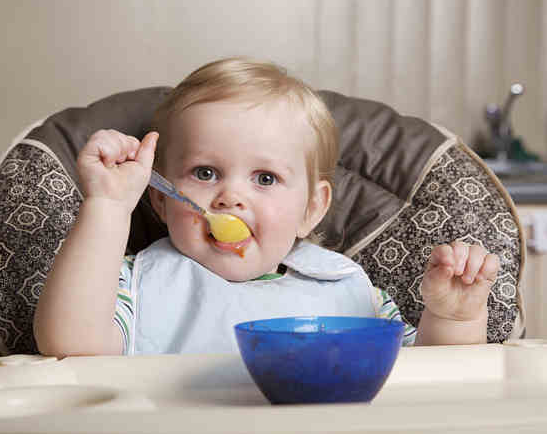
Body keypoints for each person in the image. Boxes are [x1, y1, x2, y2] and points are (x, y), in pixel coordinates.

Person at [33, 58, 500, 357]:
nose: (231, 197)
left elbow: (431, 384)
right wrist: (109, 205)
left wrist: (455, 320)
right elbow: (70, 344)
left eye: (265, 179)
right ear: (158, 198)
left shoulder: (350, 292)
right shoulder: (136, 285)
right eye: (205, 172)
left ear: (311, 209)